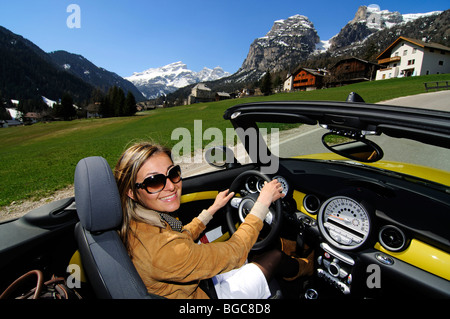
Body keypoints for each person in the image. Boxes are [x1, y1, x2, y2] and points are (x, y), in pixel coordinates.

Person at [114, 141, 313, 299]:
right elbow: (235, 252)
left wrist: (212, 209)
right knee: (274, 256)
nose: (170, 187)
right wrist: (262, 204)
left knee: (257, 251)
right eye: (154, 181)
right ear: (132, 192)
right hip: (207, 296)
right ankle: (308, 268)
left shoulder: (140, 223)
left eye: (173, 173)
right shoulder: (162, 250)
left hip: (196, 285)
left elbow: (180, 238)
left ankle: (295, 253)